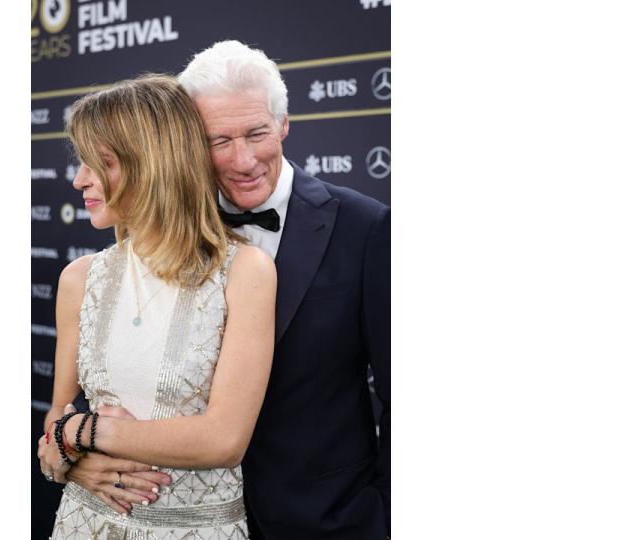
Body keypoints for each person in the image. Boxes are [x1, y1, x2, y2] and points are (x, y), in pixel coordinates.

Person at [61, 41, 391, 539]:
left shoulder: (365, 227)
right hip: (161, 506)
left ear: (283, 124)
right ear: (188, 143)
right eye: (218, 140)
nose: (242, 160)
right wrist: (72, 459)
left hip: (322, 520)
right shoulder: (160, 237)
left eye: (257, 133)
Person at [37, 74, 277, 539]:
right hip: (82, 523)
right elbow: (55, 418)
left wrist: (80, 434)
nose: (78, 179)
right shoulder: (79, 279)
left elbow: (224, 440)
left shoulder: (245, 271)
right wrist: (68, 460)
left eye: (97, 163)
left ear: (151, 164)